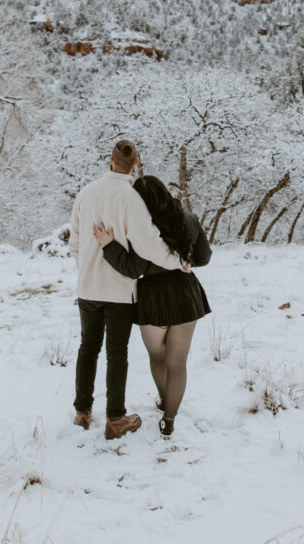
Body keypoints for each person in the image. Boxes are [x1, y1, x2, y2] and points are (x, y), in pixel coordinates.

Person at [69, 140, 183, 440]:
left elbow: (75, 242)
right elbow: (147, 244)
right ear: (135, 164)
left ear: (110, 160)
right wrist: (178, 261)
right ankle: (115, 418)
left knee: (87, 347)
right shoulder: (131, 197)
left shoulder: (86, 193)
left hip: (88, 287)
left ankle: (82, 412)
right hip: (119, 291)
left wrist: (86, 270)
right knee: (116, 353)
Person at [93, 175, 211, 437]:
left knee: (157, 356)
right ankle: (169, 418)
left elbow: (132, 268)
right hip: (184, 292)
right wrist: (185, 261)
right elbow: (204, 256)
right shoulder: (188, 219)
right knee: (177, 361)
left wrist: (109, 246)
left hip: (153, 297)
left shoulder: (141, 227)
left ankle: (163, 398)